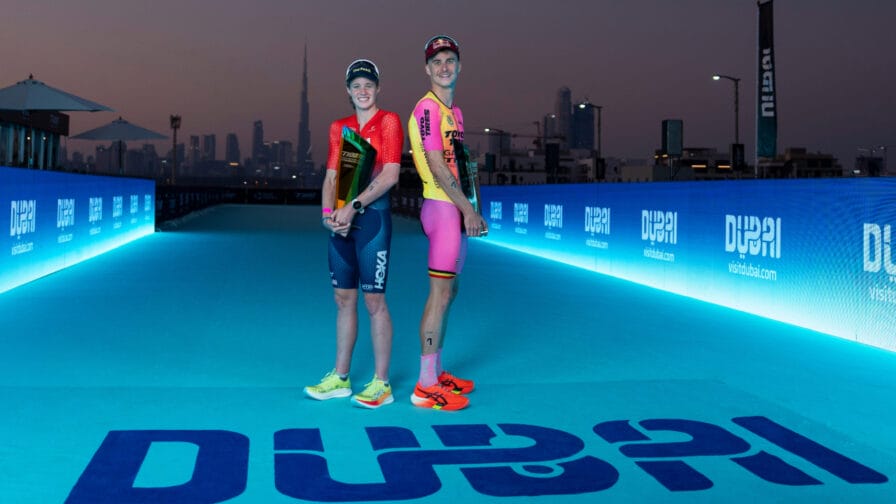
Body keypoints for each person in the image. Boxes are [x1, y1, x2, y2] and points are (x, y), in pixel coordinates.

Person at [304, 59, 403, 409]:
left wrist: (353, 208)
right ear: (348, 91)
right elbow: (331, 177)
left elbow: (390, 175)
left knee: (374, 302)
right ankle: (340, 378)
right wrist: (329, 214)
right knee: (342, 300)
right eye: (356, 85)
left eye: (368, 85)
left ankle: (382, 383)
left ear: (378, 89)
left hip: (372, 221)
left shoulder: (388, 121)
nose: (363, 91)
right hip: (341, 224)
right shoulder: (339, 128)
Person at [407, 35, 487, 411]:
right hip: (441, 208)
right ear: (427, 69)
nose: (444, 66)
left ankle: (437, 371)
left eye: (450, 60)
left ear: (459, 66)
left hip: (457, 207)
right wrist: (465, 211)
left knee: (450, 293)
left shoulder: (455, 112)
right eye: (437, 61)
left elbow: (461, 164)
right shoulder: (427, 109)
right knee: (438, 296)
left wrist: (473, 205)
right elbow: (438, 166)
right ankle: (424, 385)